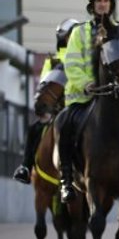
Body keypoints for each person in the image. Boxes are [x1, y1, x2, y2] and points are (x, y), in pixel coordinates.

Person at [55, 0, 119, 203]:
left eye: (106, 1)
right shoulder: (79, 32)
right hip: (83, 97)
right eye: (98, 1)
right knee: (63, 123)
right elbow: (72, 64)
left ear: (111, 4)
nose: (102, 4)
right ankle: (66, 181)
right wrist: (86, 83)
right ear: (92, 6)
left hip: (115, 96)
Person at [13, 18, 80, 184]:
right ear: (63, 37)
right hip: (58, 107)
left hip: (79, 103)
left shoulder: (83, 59)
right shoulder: (52, 60)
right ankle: (26, 167)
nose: (72, 38)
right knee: (35, 129)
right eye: (69, 35)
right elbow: (44, 83)